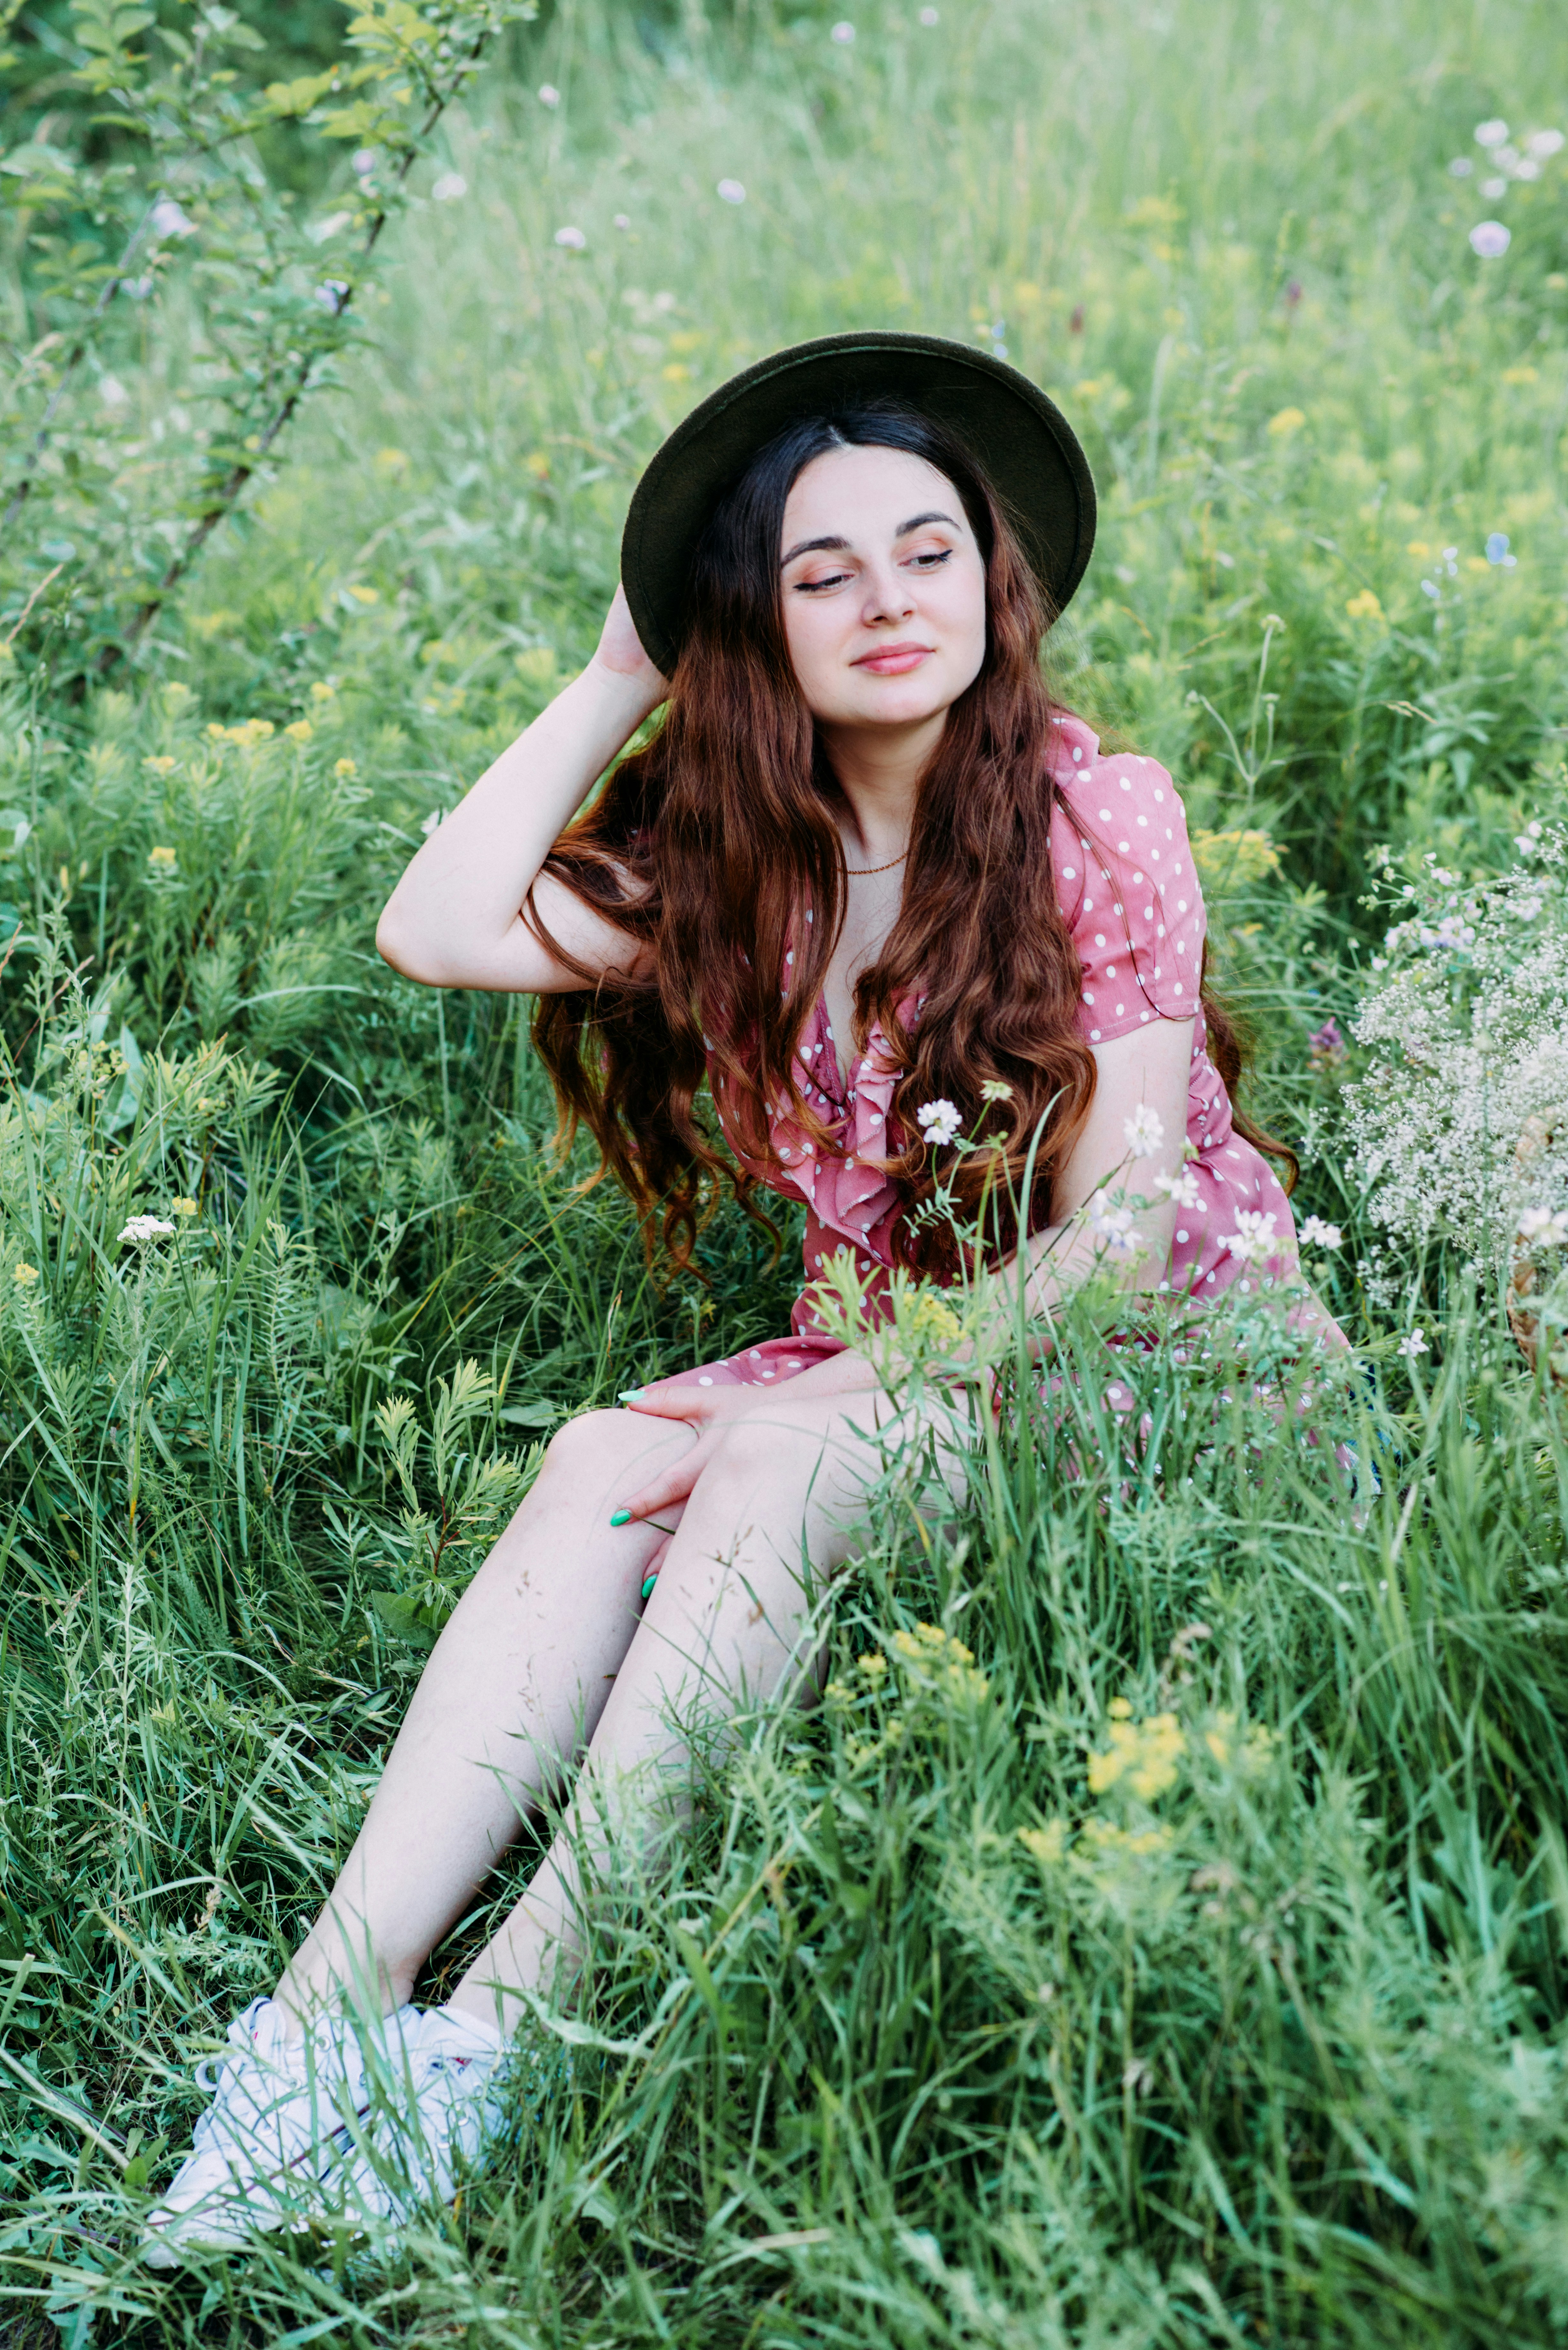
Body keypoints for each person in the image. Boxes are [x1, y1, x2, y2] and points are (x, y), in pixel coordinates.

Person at [144, 332, 1343, 2263]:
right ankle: (316, 2024)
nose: (889, 603)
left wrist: (840, 1397)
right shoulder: (739, 862)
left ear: (994, 579)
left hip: (1142, 1365)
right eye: (822, 570)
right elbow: (435, 924)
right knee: (609, 1452)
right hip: (882, 1353)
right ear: (755, 621)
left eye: (929, 551)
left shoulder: (1093, 817)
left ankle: (500, 2035)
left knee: (773, 1460)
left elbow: (1122, 1234)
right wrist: (624, 664)